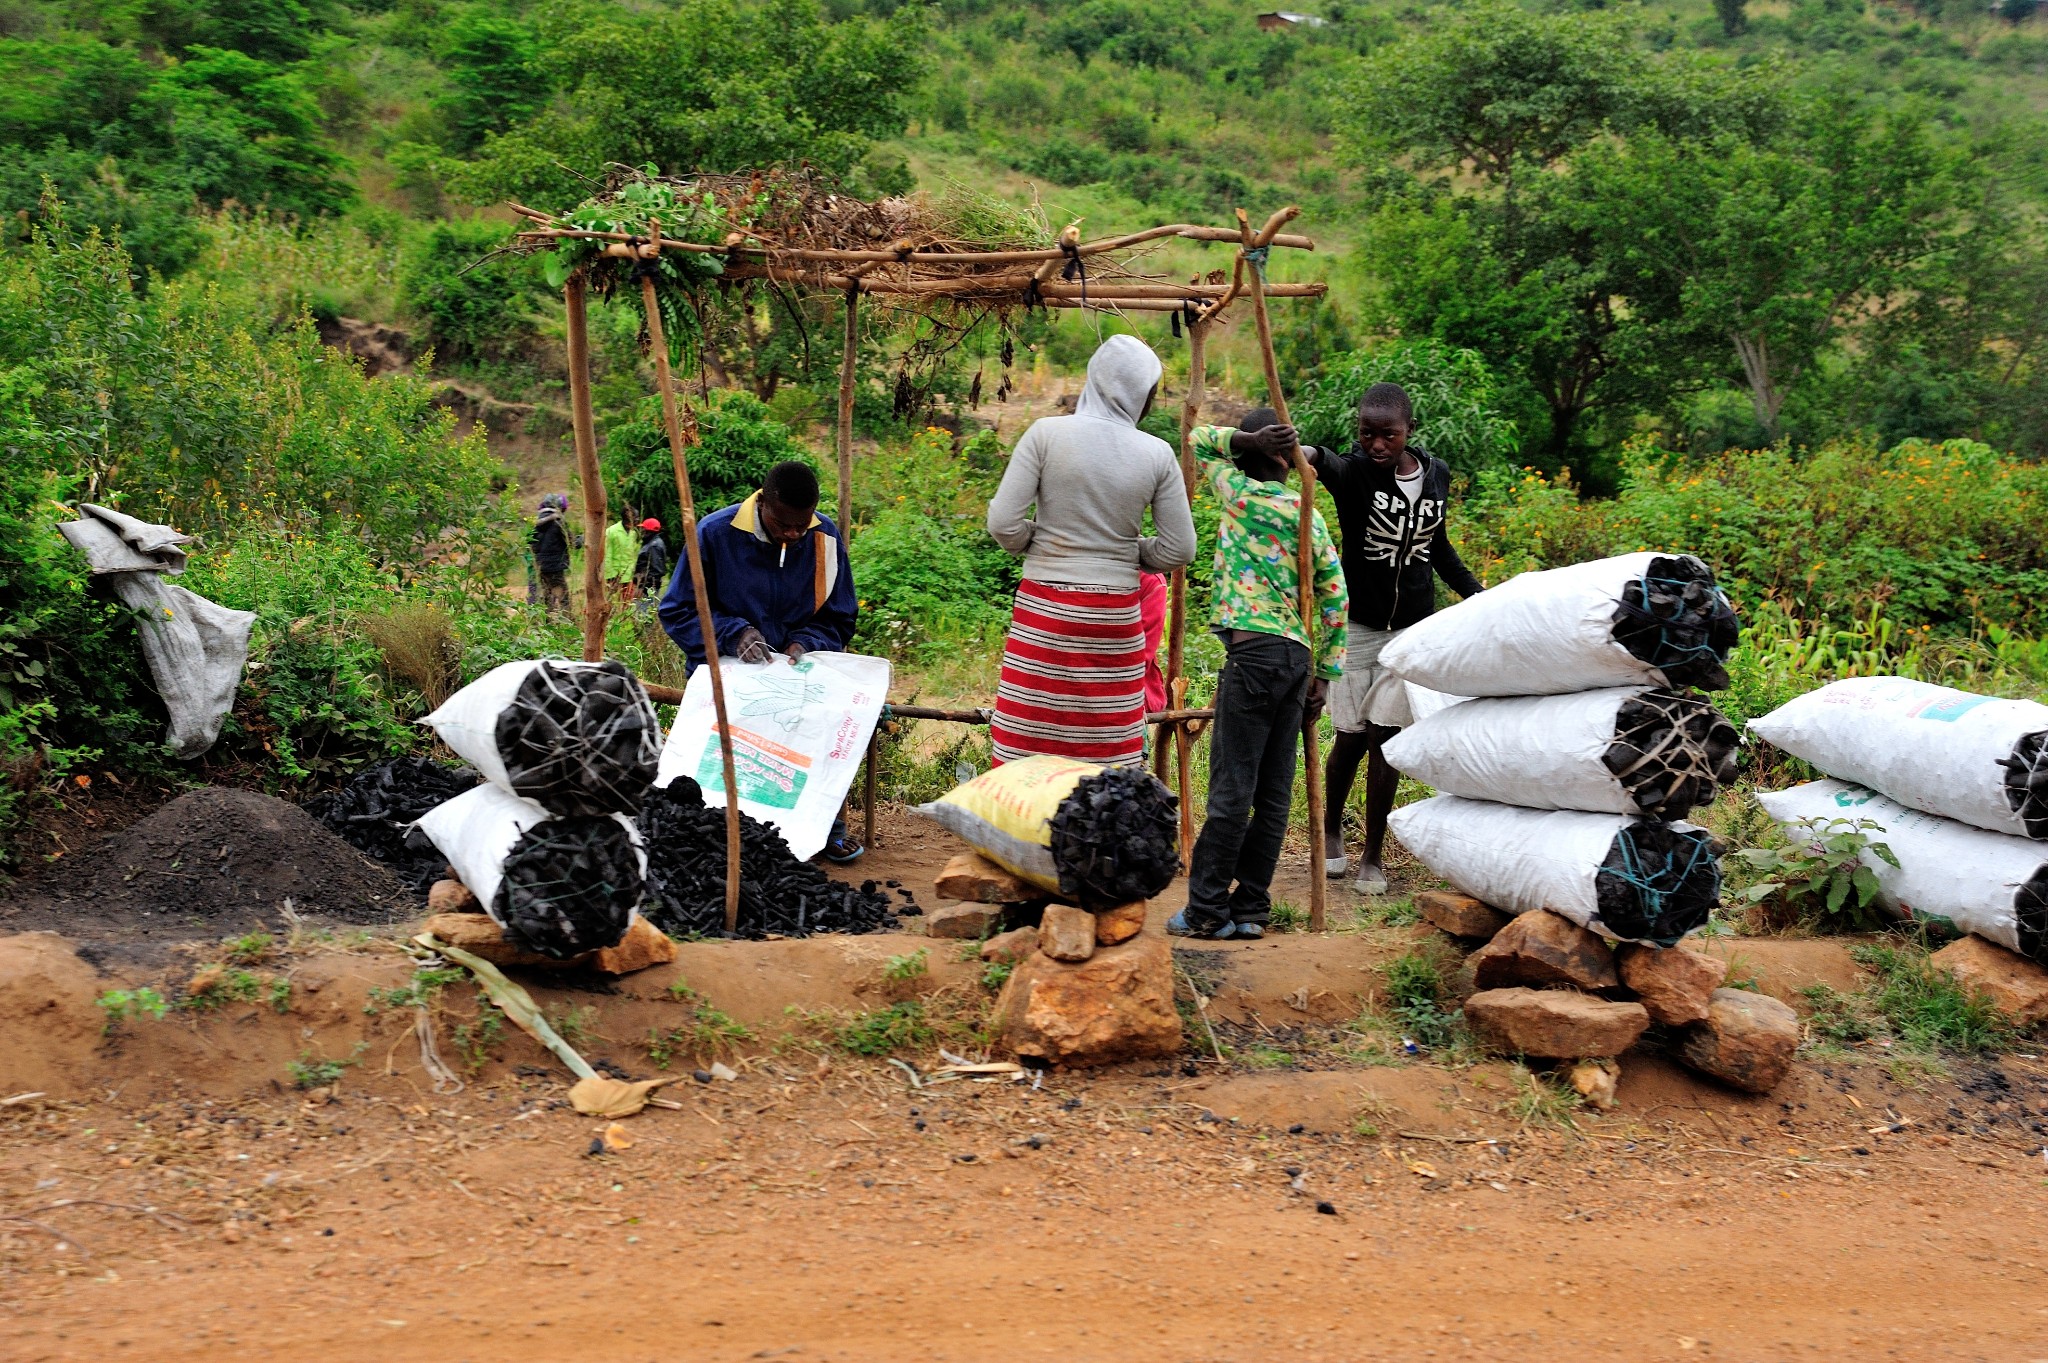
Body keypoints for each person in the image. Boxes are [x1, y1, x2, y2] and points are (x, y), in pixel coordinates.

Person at [1244, 383, 1485, 895]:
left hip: (1412, 631)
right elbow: (1319, 459)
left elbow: (1437, 545)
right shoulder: (1353, 473)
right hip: (1356, 627)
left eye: (1388, 436)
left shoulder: (1436, 474)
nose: (1377, 445)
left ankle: (1373, 855)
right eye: (1367, 434)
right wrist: (1291, 445)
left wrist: (1475, 595)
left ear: (1408, 433)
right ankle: (1330, 832)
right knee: (1350, 737)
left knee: (1386, 739)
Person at [1167, 408, 1346, 941]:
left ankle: (1204, 911)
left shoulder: (1236, 490)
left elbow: (1198, 440)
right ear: (1290, 464)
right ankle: (1250, 910)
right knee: (1272, 793)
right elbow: (1334, 595)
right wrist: (1325, 675)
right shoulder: (1307, 511)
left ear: (1244, 455)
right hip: (1296, 660)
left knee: (1230, 787)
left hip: (1252, 657)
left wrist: (1243, 438)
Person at [985, 334, 1197, 767]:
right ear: (1144, 395)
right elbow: (1180, 549)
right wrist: (1122, 553)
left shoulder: (1045, 435)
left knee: (1030, 743)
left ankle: (1024, 824)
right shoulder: (1156, 454)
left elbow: (1003, 524)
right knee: (1104, 753)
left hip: (1045, 615)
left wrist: (1043, 544)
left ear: (1093, 379)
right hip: (1114, 621)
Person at [658, 460, 863, 860]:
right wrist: (734, 634)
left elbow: (840, 616)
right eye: (784, 524)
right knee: (724, 752)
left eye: (801, 526)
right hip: (724, 670)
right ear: (762, 502)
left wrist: (806, 643)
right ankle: (723, 837)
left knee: (820, 730)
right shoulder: (715, 534)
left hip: (798, 672)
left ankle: (822, 830)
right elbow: (678, 611)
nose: (793, 534)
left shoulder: (824, 538)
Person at [529, 494, 571, 616]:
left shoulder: (534, 523)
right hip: (556, 566)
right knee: (563, 597)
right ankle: (568, 623)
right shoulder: (559, 522)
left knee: (546, 596)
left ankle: (546, 623)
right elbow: (571, 542)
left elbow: (529, 542)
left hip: (540, 565)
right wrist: (583, 539)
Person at [603, 511, 640, 602]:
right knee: (612, 603)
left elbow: (632, 554)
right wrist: (610, 576)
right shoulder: (611, 532)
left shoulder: (633, 533)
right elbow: (607, 555)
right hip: (615, 576)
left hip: (628, 576)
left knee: (627, 605)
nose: (637, 520)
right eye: (635, 518)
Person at [633, 517, 669, 604]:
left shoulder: (654, 546)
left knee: (643, 613)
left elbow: (656, 571)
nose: (641, 531)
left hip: (647, 590)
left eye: (643, 529)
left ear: (648, 531)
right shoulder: (653, 543)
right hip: (647, 588)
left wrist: (642, 587)